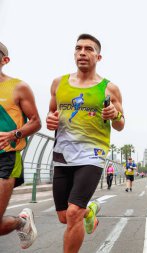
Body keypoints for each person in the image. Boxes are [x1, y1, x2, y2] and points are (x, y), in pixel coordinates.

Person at [46, 34, 125, 253]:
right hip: (62, 154)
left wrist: (115, 114)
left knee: (73, 213)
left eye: (88, 49)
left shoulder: (110, 88)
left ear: (98, 56)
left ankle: (82, 213)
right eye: (78, 48)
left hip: (92, 155)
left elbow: (121, 124)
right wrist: (50, 120)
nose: (82, 52)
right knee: (64, 217)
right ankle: (89, 211)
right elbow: (52, 115)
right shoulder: (58, 83)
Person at [0, 41, 41, 249]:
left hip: (6, 157)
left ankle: (22, 223)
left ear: (5, 60)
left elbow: (36, 121)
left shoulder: (18, 87)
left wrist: (15, 134)